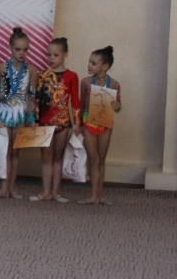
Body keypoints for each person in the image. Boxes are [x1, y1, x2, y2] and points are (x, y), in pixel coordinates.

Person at [0, 27, 37, 199]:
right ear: (10, 48)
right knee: (4, 152)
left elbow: (32, 96)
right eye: (18, 49)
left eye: (25, 49)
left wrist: (32, 118)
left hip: (20, 116)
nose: (22, 53)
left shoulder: (31, 70)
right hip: (3, 114)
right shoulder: (0, 68)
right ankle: (3, 188)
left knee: (16, 153)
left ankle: (12, 188)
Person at [31, 37, 82, 203]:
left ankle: (56, 192)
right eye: (49, 55)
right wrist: (34, 119)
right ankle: (46, 191)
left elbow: (75, 101)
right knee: (46, 158)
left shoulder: (72, 76)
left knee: (58, 158)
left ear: (65, 54)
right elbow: (36, 99)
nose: (51, 58)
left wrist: (77, 123)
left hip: (62, 123)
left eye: (55, 55)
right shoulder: (42, 75)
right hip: (44, 122)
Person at [80, 46, 122, 205]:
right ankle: (93, 195)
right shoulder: (85, 82)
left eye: (93, 63)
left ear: (105, 66)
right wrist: (80, 124)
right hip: (89, 124)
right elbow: (82, 106)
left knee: (101, 159)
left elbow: (119, 107)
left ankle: (100, 195)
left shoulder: (114, 85)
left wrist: (117, 107)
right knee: (93, 158)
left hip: (105, 125)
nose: (89, 65)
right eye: (89, 62)